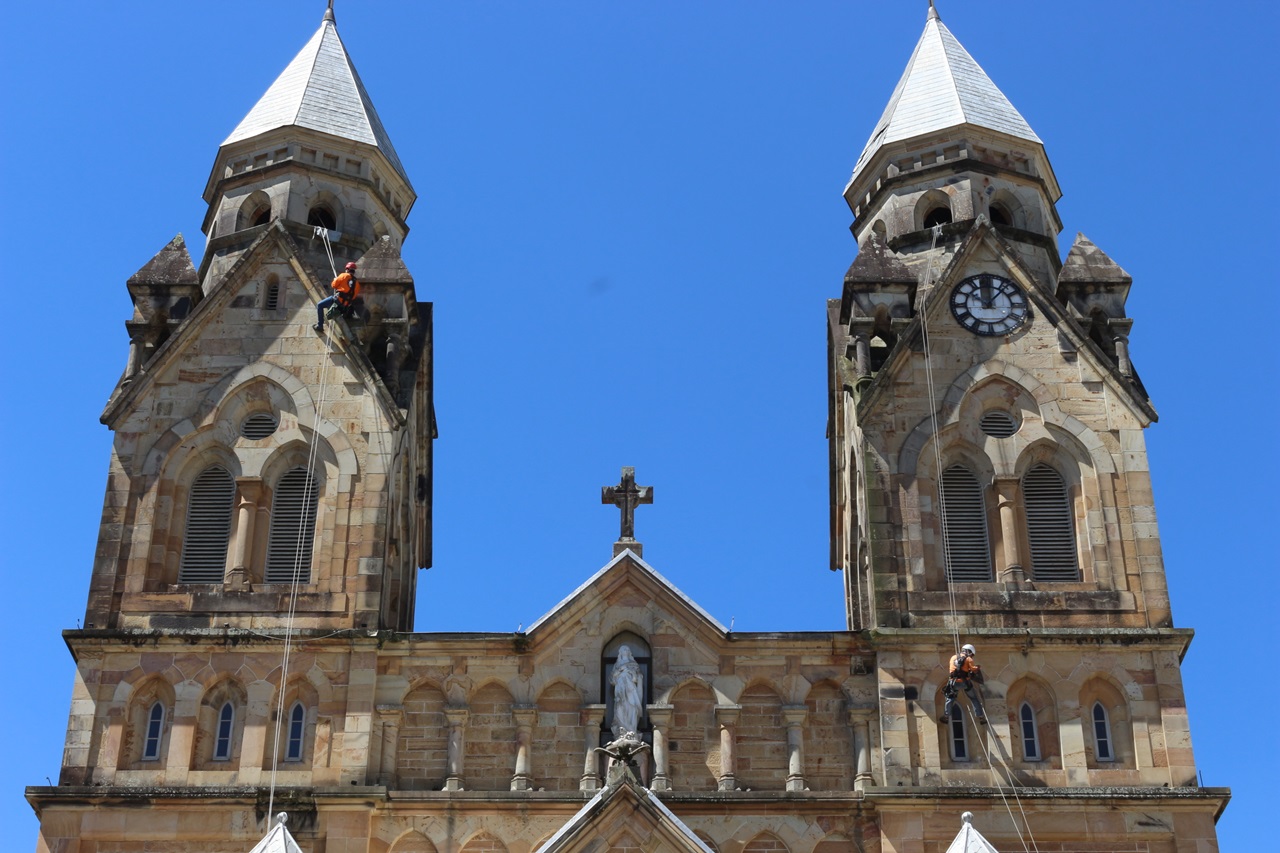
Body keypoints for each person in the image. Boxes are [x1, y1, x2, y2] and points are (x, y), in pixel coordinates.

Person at [941, 643, 987, 725]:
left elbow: (951, 669)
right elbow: (973, 670)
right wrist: (977, 668)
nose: (972, 656)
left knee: (950, 699)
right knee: (974, 698)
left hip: (953, 683)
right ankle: (981, 717)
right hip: (965, 683)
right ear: (969, 652)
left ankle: (946, 716)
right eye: (972, 654)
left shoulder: (953, 657)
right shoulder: (969, 659)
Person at [314, 262, 360, 333]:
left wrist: (335, 280)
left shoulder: (343, 275)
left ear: (347, 269)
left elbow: (333, 285)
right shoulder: (357, 283)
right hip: (345, 306)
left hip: (337, 300)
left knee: (320, 305)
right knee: (331, 305)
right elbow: (353, 297)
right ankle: (331, 313)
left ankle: (320, 325)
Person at [610, 645, 644, 737]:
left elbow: (638, 678)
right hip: (620, 688)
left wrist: (632, 674)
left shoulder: (634, 664)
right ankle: (621, 730)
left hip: (631, 689)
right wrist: (619, 671)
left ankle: (632, 730)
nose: (625, 650)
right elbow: (612, 680)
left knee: (632, 707)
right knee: (620, 706)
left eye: (627, 649)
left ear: (630, 652)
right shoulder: (617, 665)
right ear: (620, 652)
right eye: (623, 649)